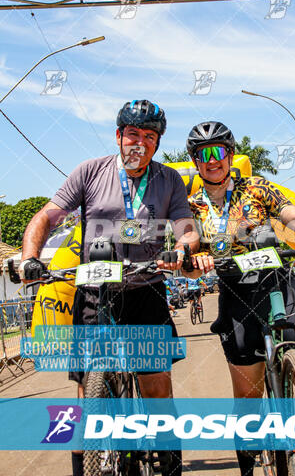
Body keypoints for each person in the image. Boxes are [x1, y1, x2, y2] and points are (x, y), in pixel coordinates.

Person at [19, 100, 199, 476]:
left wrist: (181, 249)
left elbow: (185, 226)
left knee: (157, 389)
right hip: (94, 291)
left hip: (146, 287)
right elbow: (48, 216)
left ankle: (166, 457)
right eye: (133, 133)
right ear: (119, 135)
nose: (141, 142)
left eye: (150, 136)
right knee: (88, 392)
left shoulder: (169, 180)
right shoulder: (89, 172)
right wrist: (30, 256)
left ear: (157, 143)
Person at [183, 120, 295, 476]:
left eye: (218, 152)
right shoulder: (190, 206)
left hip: (279, 282)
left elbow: (292, 216)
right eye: (203, 154)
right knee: (247, 399)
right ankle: (249, 468)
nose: (211, 160)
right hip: (236, 293)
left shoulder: (257, 187)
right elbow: (188, 261)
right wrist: (193, 262)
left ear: (230, 155)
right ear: (196, 161)